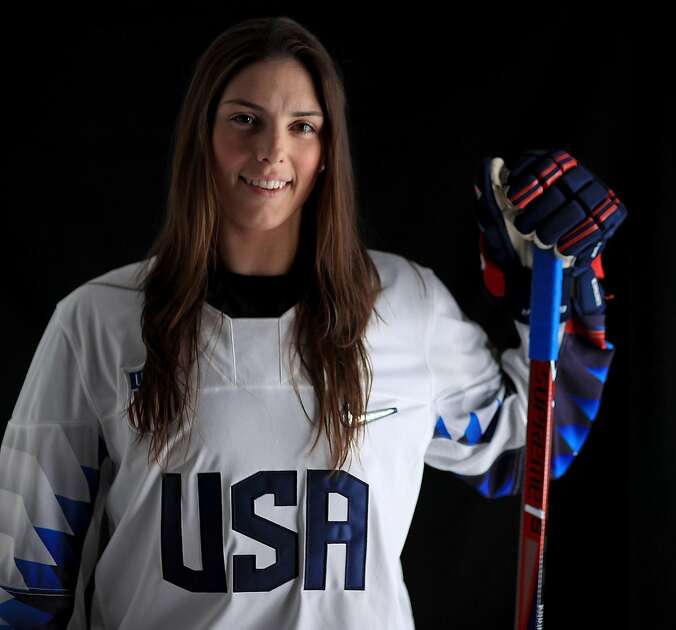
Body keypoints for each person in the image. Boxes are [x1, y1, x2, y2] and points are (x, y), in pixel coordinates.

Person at [0, 16, 627, 630]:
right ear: (202, 135)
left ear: (327, 150)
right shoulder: (98, 320)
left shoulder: (406, 305)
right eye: (245, 119)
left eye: (302, 126)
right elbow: (23, 576)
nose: (272, 150)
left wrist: (564, 290)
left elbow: (528, 449)